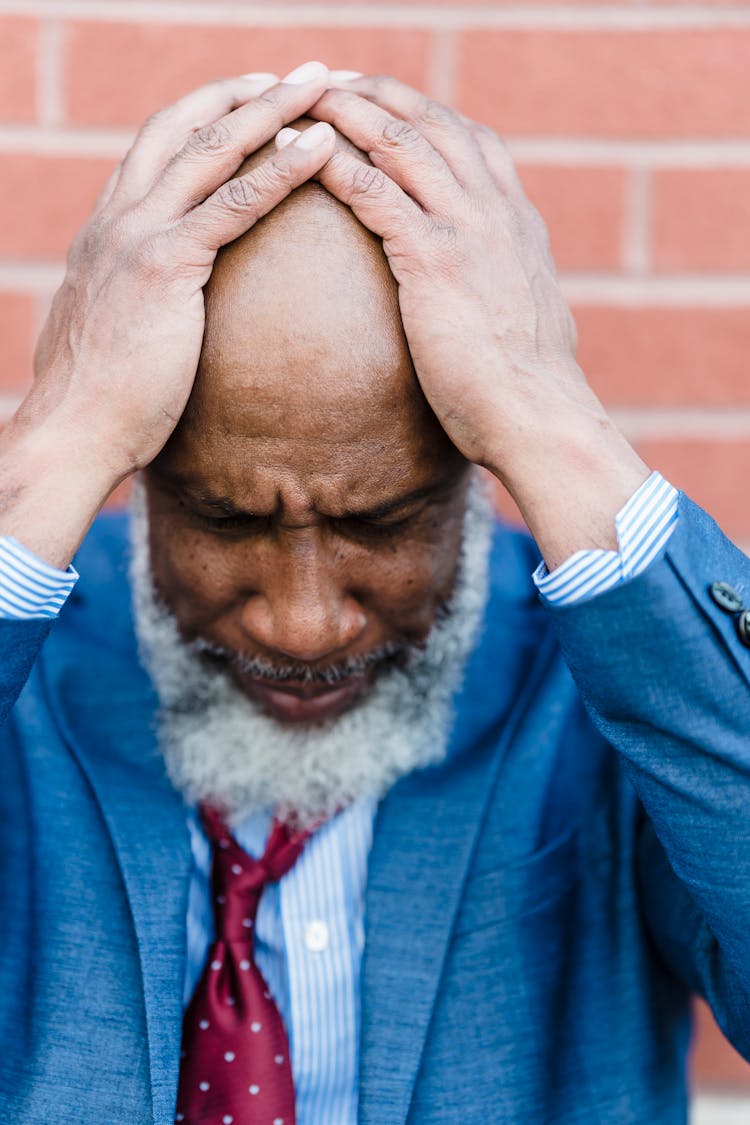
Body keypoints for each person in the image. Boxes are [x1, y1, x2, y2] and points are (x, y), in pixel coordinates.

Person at [0, 59, 748, 1124]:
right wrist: (55, 436)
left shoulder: (617, 684)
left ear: (480, 475)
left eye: (382, 523)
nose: (303, 623)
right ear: (139, 469)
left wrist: (555, 421)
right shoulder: (29, 664)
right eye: (225, 518)